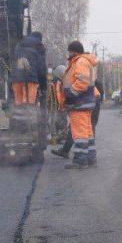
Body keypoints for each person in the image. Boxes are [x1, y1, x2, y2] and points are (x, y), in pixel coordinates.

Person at [53, 41, 98, 169]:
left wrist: (70, 93)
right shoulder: (83, 61)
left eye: (70, 51)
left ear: (75, 51)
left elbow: (82, 82)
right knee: (87, 132)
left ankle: (80, 160)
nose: (69, 54)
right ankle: (90, 158)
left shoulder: (80, 62)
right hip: (84, 102)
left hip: (79, 103)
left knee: (79, 134)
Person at [10, 34, 42, 132]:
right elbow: (40, 69)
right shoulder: (35, 52)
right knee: (29, 103)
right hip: (30, 81)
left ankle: (18, 126)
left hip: (16, 81)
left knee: (18, 104)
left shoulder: (16, 51)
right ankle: (30, 126)